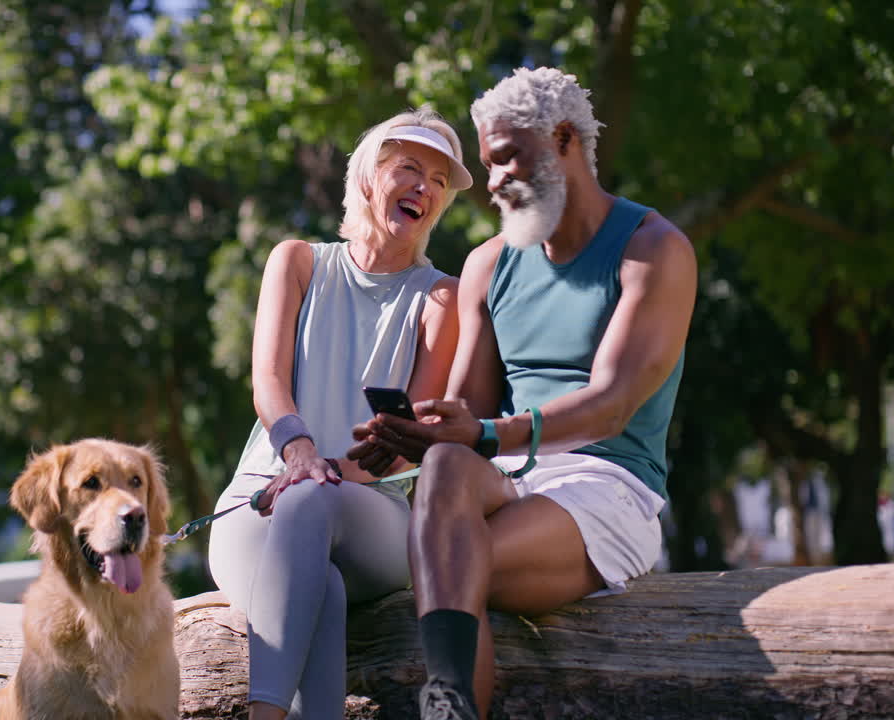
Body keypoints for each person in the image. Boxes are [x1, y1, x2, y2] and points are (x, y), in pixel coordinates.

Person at [349, 67, 697, 720]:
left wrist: (481, 435)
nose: (497, 181)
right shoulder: (490, 263)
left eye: (507, 157)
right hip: (507, 477)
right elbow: (466, 418)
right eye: (489, 165)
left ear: (564, 140)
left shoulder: (652, 250)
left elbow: (610, 406)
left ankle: (449, 701)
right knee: (446, 470)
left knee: (452, 562)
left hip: (607, 485)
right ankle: (449, 704)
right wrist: (417, 433)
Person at [207, 107, 473, 720]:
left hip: (372, 512)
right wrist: (298, 451)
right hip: (258, 502)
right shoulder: (297, 261)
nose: (425, 188)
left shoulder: (441, 299)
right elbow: (268, 383)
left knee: (311, 501)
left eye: (438, 180)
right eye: (409, 168)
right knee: (317, 589)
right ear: (366, 177)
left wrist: (326, 474)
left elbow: (407, 444)